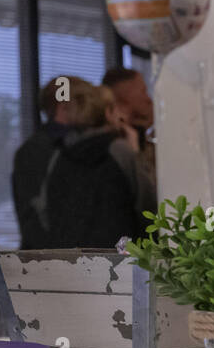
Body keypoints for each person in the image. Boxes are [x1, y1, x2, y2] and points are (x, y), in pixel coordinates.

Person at [41, 81, 155, 249]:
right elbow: (148, 207)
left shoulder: (60, 154)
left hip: (69, 261)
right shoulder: (118, 150)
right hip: (118, 261)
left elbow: (45, 211)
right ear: (107, 113)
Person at [12, 76, 85, 249]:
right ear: (64, 106)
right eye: (83, 102)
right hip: (52, 259)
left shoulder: (75, 144)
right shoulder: (40, 150)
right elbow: (36, 214)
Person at [102, 66, 155, 195]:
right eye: (143, 91)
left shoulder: (150, 131)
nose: (148, 99)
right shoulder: (113, 145)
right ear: (123, 101)